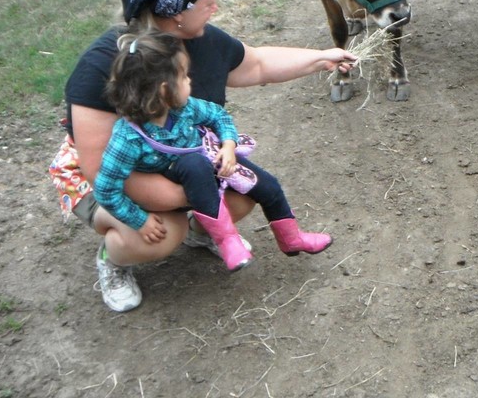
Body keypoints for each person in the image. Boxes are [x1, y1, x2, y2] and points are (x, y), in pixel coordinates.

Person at [49, 0, 357, 312]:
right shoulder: (104, 64)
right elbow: (102, 171)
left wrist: (321, 58)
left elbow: (256, 64)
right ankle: (114, 258)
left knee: (243, 193)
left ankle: (205, 230)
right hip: (111, 175)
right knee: (162, 236)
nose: (215, 8)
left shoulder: (199, 39)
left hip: (179, 158)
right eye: (208, 2)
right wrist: (199, 193)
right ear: (177, 13)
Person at [95, 30, 333, 273]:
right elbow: (106, 189)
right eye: (184, 77)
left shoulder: (184, 108)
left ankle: (291, 238)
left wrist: (228, 145)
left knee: (266, 184)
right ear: (165, 91)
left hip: (210, 162)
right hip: (177, 181)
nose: (190, 81)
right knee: (193, 165)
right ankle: (227, 241)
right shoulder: (128, 138)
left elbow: (218, 116)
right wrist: (139, 220)